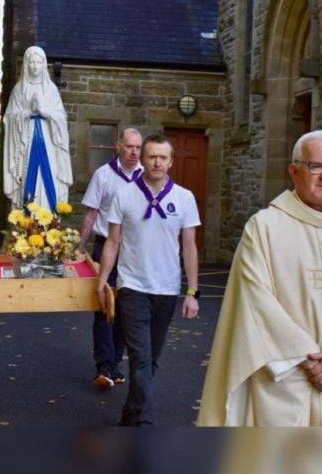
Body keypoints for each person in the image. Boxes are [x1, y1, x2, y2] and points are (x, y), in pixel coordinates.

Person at [197, 130, 322, 427]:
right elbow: (256, 303)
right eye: (317, 166)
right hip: (286, 384)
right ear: (294, 170)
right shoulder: (264, 228)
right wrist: (311, 360)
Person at [96, 133, 200, 426]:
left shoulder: (184, 197)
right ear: (143, 159)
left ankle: (129, 416)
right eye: (152, 156)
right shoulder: (124, 194)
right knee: (140, 359)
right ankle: (146, 426)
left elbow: (190, 246)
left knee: (150, 361)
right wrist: (103, 281)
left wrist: (192, 291)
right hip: (132, 286)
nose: (157, 162)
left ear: (171, 161)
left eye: (163, 157)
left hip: (167, 288)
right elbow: (112, 242)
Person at [78, 127, 143, 390]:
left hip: (134, 251)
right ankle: (104, 366)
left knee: (126, 309)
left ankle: (114, 363)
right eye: (129, 146)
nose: (134, 152)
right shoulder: (104, 176)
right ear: (118, 146)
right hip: (105, 247)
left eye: (138, 148)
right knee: (104, 306)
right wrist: (79, 248)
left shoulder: (146, 177)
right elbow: (91, 215)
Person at [2, 45, 72, 210]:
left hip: (48, 142)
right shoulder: (19, 90)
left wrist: (44, 111)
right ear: (26, 64)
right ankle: (24, 225)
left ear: (43, 64)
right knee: (26, 177)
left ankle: (49, 221)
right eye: (31, 62)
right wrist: (26, 112)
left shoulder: (51, 90)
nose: (35, 66)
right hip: (25, 142)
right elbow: (9, 118)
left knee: (49, 178)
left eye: (38, 62)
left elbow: (61, 118)